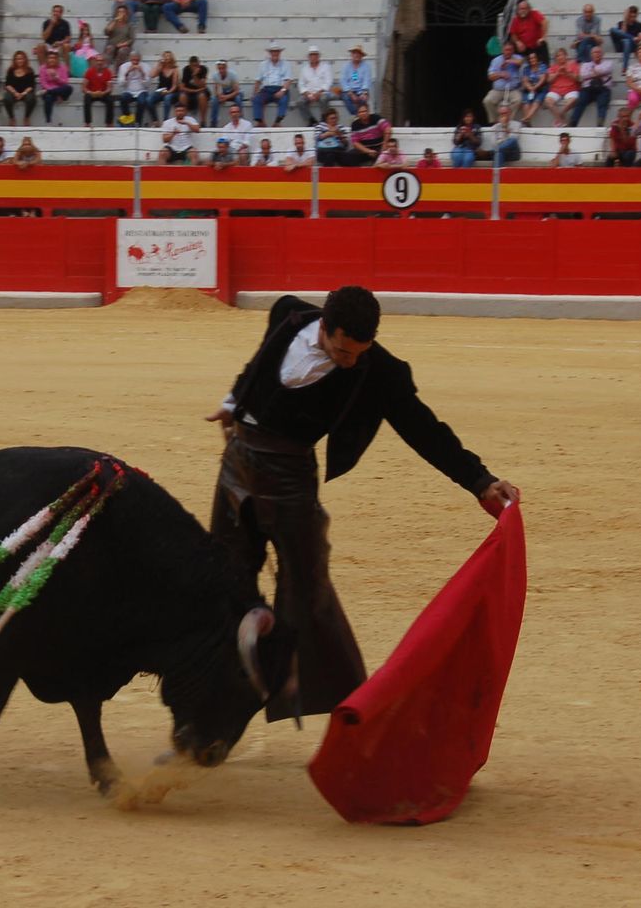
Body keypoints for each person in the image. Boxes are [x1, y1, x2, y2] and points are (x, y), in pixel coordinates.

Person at [205, 286, 517, 721]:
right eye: (341, 350)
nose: (350, 360)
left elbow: (422, 427)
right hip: (237, 462)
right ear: (325, 327)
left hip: (289, 476)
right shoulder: (290, 313)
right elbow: (261, 359)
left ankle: (350, 708)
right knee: (222, 575)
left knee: (307, 590)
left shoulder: (378, 370)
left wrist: (478, 480)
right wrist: (234, 400)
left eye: (357, 353)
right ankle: (219, 700)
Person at [567, 45, 612, 127]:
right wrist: (597, 73)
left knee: (602, 103)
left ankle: (600, 123)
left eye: (599, 52)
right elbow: (583, 75)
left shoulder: (608, 63)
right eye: (595, 52)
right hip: (588, 89)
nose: (597, 54)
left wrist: (592, 73)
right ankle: (572, 123)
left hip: (603, 88)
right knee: (580, 101)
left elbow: (606, 70)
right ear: (591, 55)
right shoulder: (585, 64)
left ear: (602, 54)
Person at [252, 42, 293, 126]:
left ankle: (277, 122)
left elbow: (288, 80)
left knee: (284, 99)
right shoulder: (263, 64)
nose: (275, 53)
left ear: (280, 52)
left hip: (280, 88)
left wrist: (283, 90)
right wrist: (255, 93)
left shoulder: (286, 64)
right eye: (273, 51)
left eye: (277, 51)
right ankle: (260, 122)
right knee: (256, 99)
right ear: (270, 53)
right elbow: (258, 80)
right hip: (266, 89)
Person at [158, 99, 201, 164]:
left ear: (185, 111)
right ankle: (162, 173)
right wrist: (173, 134)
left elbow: (197, 130)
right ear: (174, 112)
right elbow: (164, 140)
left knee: (194, 153)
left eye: (182, 111)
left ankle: (192, 174)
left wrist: (187, 123)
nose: (180, 112)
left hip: (186, 148)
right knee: (162, 153)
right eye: (178, 111)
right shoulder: (167, 122)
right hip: (172, 148)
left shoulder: (190, 120)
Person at [298, 47, 333, 125]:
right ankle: (311, 120)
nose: (313, 57)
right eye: (311, 55)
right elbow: (301, 84)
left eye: (315, 55)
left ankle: (324, 119)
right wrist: (307, 94)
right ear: (308, 57)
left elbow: (328, 82)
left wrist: (319, 93)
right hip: (309, 93)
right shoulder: (304, 69)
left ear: (318, 56)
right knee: (300, 102)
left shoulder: (326, 67)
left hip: (323, 92)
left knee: (323, 99)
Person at [1, 50, 37, 126]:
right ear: (15, 60)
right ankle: (11, 118)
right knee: (7, 98)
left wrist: (23, 93)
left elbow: (31, 86)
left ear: (24, 59)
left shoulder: (30, 71)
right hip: (14, 93)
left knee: (31, 99)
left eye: (21, 58)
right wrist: (15, 93)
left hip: (25, 93)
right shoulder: (11, 70)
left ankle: (26, 117)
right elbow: (7, 84)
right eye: (17, 59)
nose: (19, 61)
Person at [116, 51, 152, 127]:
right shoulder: (123, 66)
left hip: (142, 90)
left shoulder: (146, 66)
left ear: (140, 59)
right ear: (130, 59)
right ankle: (128, 119)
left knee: (142, 101)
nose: (135, 62)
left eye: (137, 60)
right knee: (123, 99)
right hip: (128, 91)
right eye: (133, 60)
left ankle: (138, 123)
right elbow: (121, 84)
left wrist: (142, 73)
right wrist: (127, 73)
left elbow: (148, 84)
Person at [335, 45, 373, 115]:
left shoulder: (366, 66)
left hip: (361, 90)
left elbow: (366, 80)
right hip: (349, 91)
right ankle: (358, 115)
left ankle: (361, 115)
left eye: (358, 53)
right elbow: (343, 81)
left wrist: (364, 92)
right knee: (346, 98)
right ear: (351, 55)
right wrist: (351, 93)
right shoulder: (346, 66)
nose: (356, 55)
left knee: (363, 99)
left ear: (361, 56)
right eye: (354, 53)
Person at [38, 51, 73, 125]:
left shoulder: (62, 68)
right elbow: (43, 84)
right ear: (47, 59)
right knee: (48, 97)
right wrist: (52, 91)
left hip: (59, 92)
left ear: (57, 59)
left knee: (69, 88)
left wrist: (57, 78)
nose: (52, 59)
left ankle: (48, 92)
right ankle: (48, 121)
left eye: (54, 58)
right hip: (49, 91)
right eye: (50, 58)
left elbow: (65, 82)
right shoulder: (43, 68)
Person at [81, 53, 115, 127]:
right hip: (92, 93)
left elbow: (110, 88)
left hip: (103, 93)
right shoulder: (89, 71)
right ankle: (87, 123)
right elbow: (83, 87)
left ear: (104, 62)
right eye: (98, 60)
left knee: (110, 100)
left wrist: (103, 93)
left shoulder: (108, 72)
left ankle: (109, 123)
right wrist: (91, 93)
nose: (99, 62)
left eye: (101, 60)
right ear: (95, 62)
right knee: (86, 98)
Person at [209, 59, 243, 128]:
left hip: (234, 92)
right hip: (224, 92)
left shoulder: (233, 75)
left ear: (226, 68)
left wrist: (226, 97)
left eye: (223, 68)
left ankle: (241, 120)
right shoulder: (215, 76)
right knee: (214, 100)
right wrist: (220, 96)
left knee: (238, 100)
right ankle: (213, 122)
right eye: (219, 68)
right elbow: (216, 90)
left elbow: (236, 91)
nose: (221, 70)